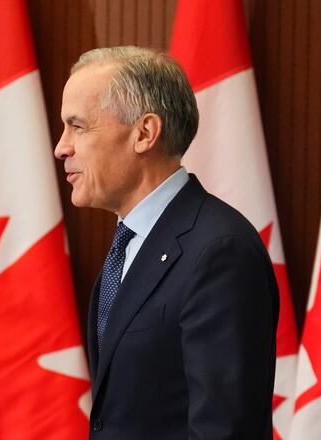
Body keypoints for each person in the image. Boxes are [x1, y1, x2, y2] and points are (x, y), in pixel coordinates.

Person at [54, 46, 279, 439]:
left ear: (144, 133)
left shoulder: (219, 252)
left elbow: (223, 431)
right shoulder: (129, 245)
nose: (62, 147)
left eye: (78, 126)